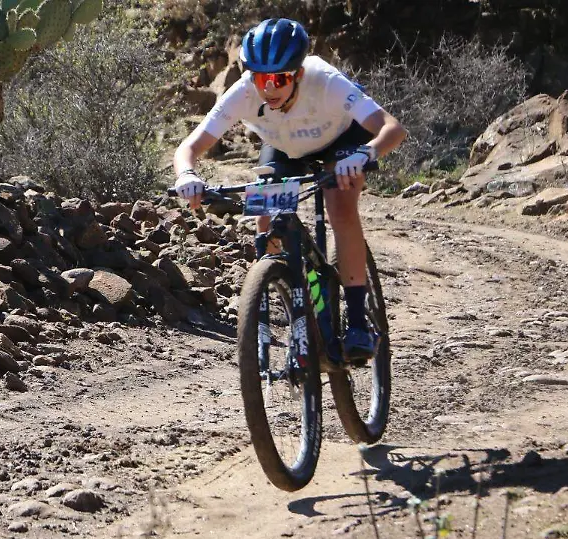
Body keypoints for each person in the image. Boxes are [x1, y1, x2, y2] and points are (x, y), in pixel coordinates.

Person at [172, 18, 407, 362]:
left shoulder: (325, 80)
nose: (269, 87)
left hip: (340, 144)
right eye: (261, 78)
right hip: (284, 149)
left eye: (279, 78)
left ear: (297, 74)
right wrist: (187, 175)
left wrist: (364, 154)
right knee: (264, 215)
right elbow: (188, 149)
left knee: (340, 206)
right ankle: (276, 296)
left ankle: (357, 320)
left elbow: (391, 128)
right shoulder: (243, 93)